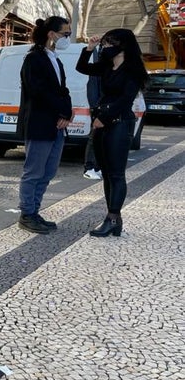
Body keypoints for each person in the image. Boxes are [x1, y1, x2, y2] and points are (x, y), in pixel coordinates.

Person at [75, 29, 147, 237]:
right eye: (104, 44)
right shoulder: (107, 66)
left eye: (108, 44)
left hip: (119, 122)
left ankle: (113, 218)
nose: (105, 47)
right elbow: (82, 67)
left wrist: (102, 119)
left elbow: (126, 99)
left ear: (122, 45)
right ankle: (113, 218)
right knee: (106, 173)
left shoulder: (133, 69)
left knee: (116, 173)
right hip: (102, 122)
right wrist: (88, 49)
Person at [16, 16, 73, 234]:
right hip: (40, 124)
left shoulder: (55, 59)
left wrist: (67, 113)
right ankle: (26, 213)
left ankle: (35, 211)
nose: (67, 38)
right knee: (34, 172)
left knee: (48, 172)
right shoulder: (34, 59)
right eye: (65, 34)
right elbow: (37, 91)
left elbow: (63, 90)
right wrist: (61, 110)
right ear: (52, 34)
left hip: (57, 125)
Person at [83, 50, 102, 180]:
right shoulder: (96, 66)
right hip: (97, 107)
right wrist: (94, 106)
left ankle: (96, 167)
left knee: (99, 138)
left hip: (99, 106)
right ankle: (89, 167)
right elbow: (93, 87)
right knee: (94, 137)